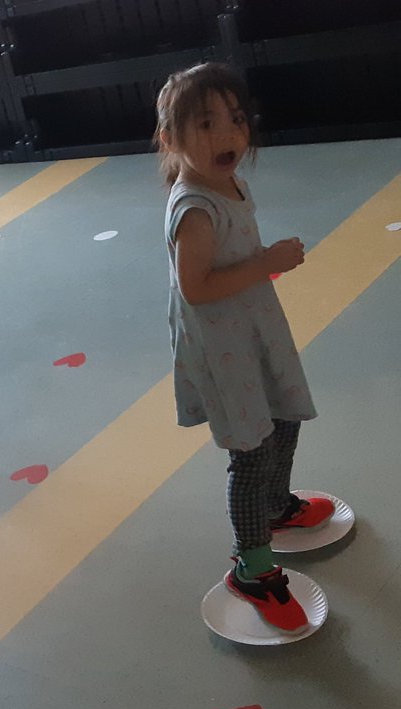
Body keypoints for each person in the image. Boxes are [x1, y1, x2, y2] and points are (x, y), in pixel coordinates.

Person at [155, 62, 334, 632]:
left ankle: (277, 506)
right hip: (222, 346)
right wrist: (268, 264)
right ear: (171, 140)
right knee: (250, 452)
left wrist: (260, 272)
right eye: (205, 124)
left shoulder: (229, 184)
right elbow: (197, 287)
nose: (228, 135)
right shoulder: (195, 211)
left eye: (235, 119)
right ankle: (252, 567)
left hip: (253, 333)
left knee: (283, 419)